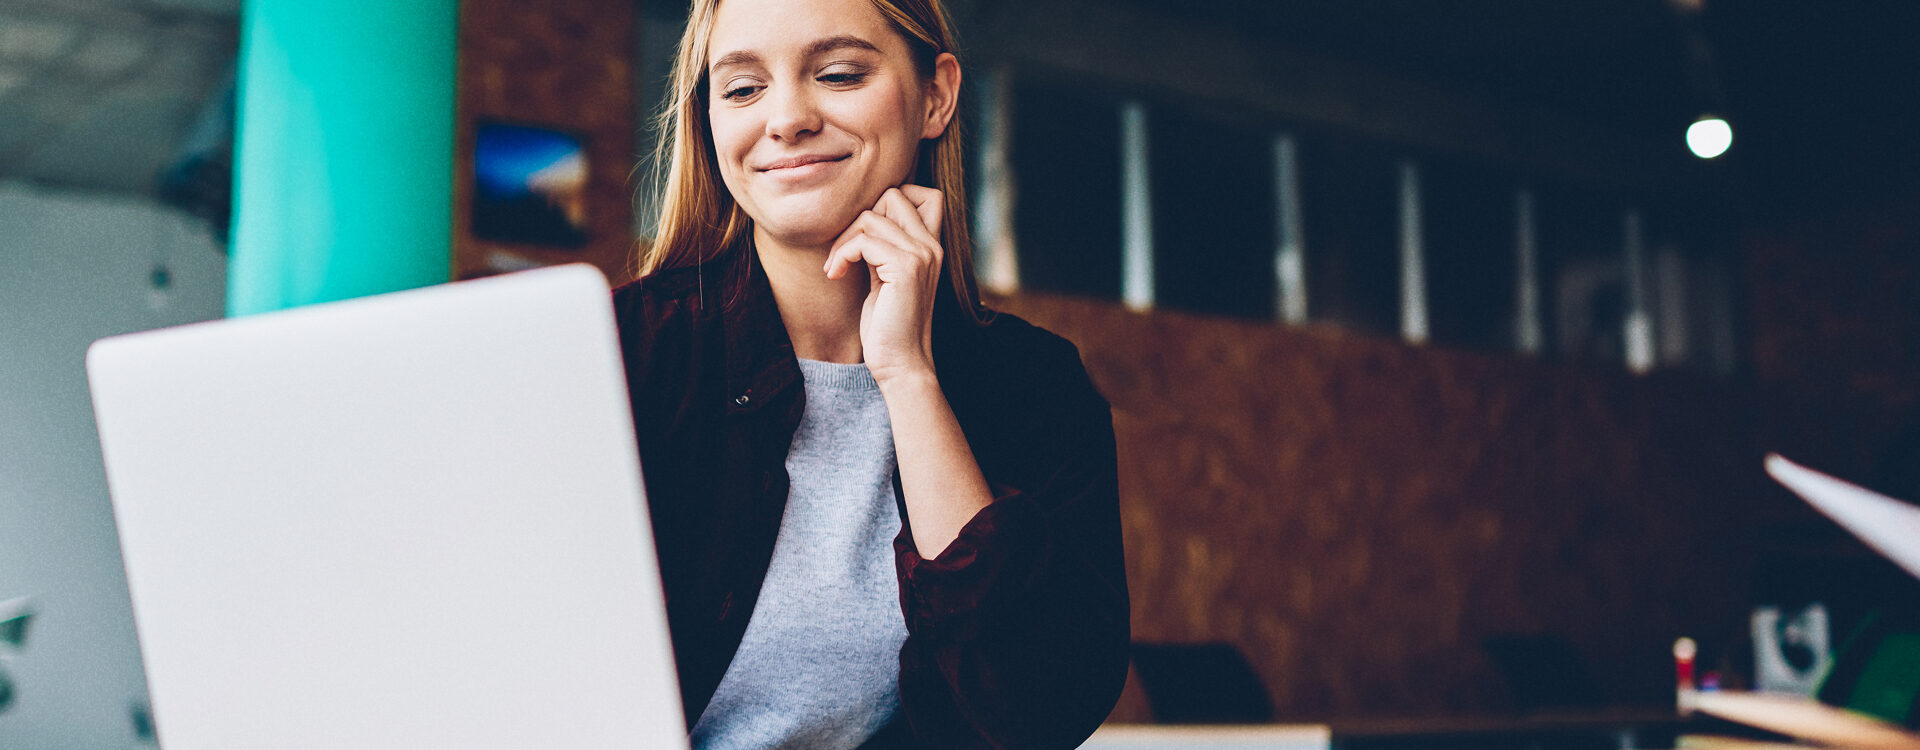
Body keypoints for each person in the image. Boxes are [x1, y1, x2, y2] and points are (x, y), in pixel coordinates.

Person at [610, 0, 1130, 747]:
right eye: (743, 89)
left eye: (840, 73)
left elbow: (1035, 712)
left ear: (936, 96)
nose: (785, 118)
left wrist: (908, 375)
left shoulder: (1033, 386)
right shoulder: (626, 353)